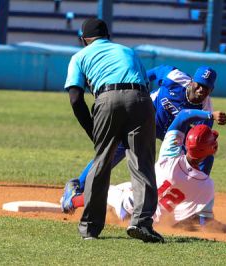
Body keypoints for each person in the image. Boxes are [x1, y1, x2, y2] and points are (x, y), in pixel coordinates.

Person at [61, 65, 219, 212]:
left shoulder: (206, 112)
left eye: (206, 88)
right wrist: (139, 88)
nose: (201, 90)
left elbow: (200, 141)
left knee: (204, 156)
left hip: (173, 134)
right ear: (192, 81)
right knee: (113, 152)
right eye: (198, 84)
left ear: (211, 90)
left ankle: (191, 205)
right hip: (145, 119)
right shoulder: (174, 77)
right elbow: (151, 74)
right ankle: (77, 187)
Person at [64, 18, 163, 242]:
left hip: (107, 98)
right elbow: (145, 85)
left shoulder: (79, 56)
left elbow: (75, 98)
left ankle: (90, 228)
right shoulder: (128, 51)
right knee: (142, 163)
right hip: (141, 99)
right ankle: (142, 223)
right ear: (108, 36)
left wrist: (93, 131)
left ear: (83, 40)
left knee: (102, 162)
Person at [68, 109, 226, 229]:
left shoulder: (170, 156)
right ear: (211, 150)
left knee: (104, 190)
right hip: (151, 222)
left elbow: (182, 116)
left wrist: (209, 115)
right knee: (126, 187)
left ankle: (71, 201)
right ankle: (85, 205)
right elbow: (205, 222)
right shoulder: (206, 185)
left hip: (130, 207)